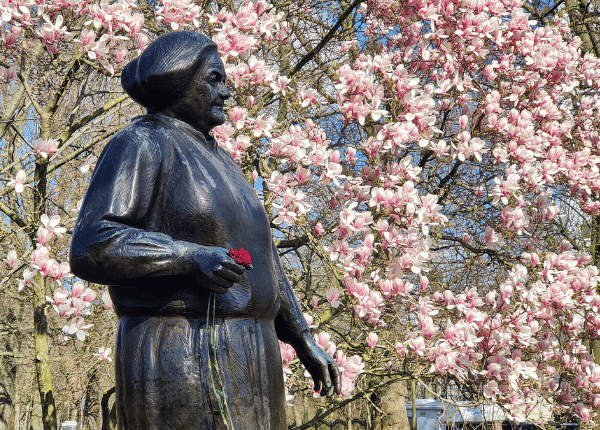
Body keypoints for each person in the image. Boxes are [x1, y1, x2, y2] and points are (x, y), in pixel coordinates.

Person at [70, 31, 340, 430]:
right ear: (177, 83)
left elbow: (263, 259)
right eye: (214, 79)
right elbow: (93, 242)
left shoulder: (225, 161)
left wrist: (301, 336)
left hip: (254, 353)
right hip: (181, 348)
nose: (227, 92)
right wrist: (189, 256)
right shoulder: (141, 142)